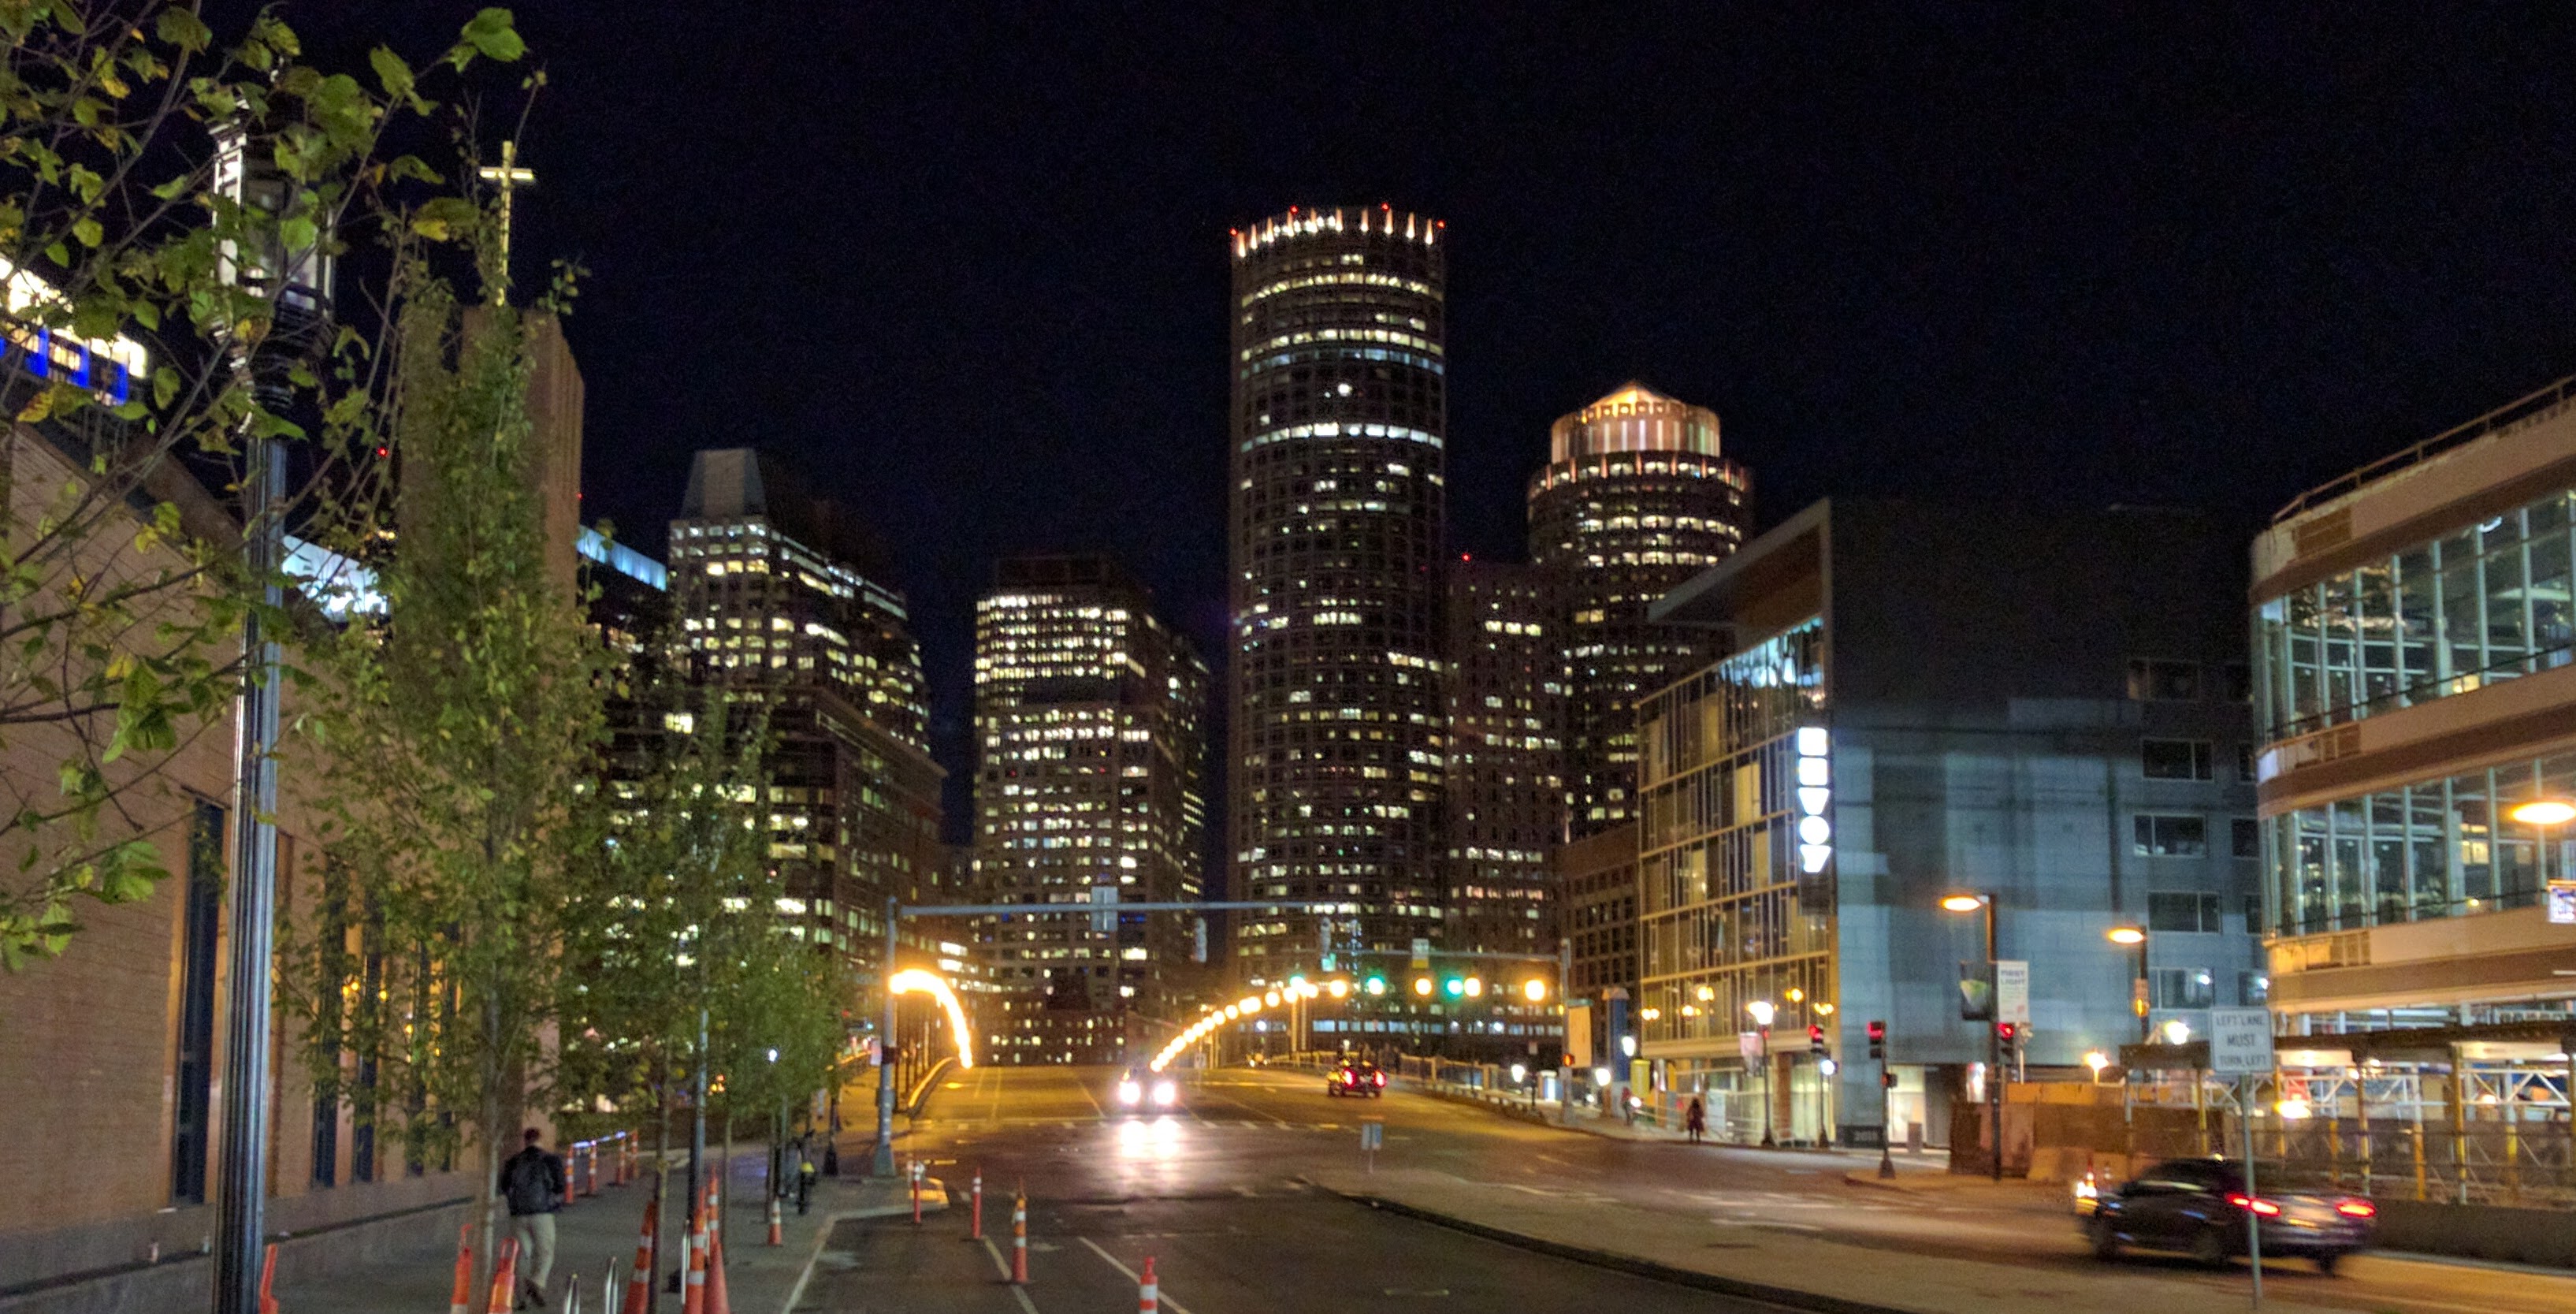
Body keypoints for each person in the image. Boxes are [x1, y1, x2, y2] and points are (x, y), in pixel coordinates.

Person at [500, 1127, 566, 1310]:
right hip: (542, 1214)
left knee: (522, 1255)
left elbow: (504, 1186)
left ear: (525, 1140)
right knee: (545, 1252)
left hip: (518, 1215)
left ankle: (521, 1299)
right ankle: (536, 1282)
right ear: (540, 1139)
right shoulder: (550, 1160)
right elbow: (560, 1187)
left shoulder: (513, 1161)